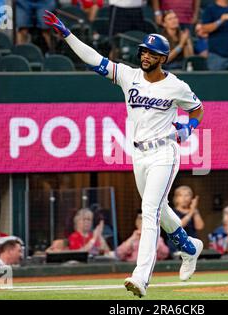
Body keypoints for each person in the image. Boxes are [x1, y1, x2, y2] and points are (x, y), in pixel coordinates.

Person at [44, 10, 204, 297]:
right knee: (160, 209)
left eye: (151, 53)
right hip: (139, 155)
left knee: (150, 212)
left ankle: (141, 277)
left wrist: (188, 128)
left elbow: (197, 109)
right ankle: (189, 247)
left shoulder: (176, 85)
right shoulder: (129, 76)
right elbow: (96, 60)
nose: (145, 56)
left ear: (162, 58)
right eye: (143, 51)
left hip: (164, 154)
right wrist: (68, 36)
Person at [200, 0, 228, 70]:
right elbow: (205, 29)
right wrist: (220, 21)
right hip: (217, 55)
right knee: (216, 80)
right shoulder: (210, 9)